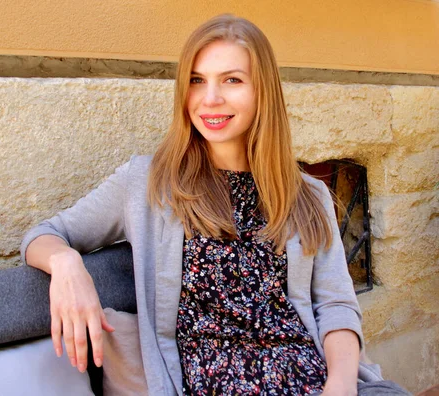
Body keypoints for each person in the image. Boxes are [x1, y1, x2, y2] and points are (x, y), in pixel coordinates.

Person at [21, 14, 409, 396]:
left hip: (314, 378)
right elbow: (46, 235)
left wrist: (340, 387)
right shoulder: (148, 182)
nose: (210, 99)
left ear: (263, 92)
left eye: (232, 80)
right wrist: (67, 265)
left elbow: (337, 305)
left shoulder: (307, 195)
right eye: (196, 80)